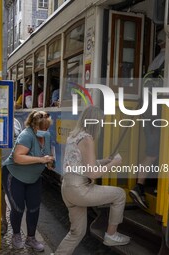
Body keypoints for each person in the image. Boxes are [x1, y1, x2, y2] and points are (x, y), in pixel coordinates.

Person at [55, 106, 130, 254]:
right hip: (80, 189)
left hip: (67, 188)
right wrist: (113, 163)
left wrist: (104, 161)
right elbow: (93, 174)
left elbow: (79, 163)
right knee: (120, 194)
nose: (102, 125)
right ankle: (111, 234)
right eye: (101, 121)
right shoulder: (87, 139)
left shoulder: (74, 136)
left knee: (77, 232)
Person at [2, 111, 54, 251]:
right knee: (18, 208)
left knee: (34, 208)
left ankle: (31, 238)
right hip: (14, 175)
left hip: (33, 178)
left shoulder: (46, 136)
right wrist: (41, 160)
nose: (45, 131)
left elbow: (47, 153)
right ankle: (16, 235)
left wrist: (49, 162)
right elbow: (18, 157)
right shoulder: (26, 135)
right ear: (34, 126)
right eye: (42, 128)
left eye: (47, 128)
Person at [129, 29, 166, 209]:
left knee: (154, 151)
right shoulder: (168, 60)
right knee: (153, 153)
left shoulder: (154, 63)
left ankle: (151, 186)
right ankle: (140, 186)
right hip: (158, 114)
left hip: (148, 113)